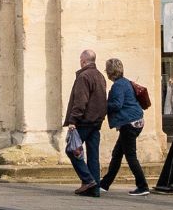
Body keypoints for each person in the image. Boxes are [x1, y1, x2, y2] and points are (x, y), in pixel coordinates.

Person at [98, 58, 149, 196]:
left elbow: (117, 104)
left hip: (129, 123)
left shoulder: (118, 86)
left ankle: (143, 186)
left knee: (130, 156)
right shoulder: (125, 82)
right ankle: (104, 184)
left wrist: (103, 104)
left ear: (110, 72)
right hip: (135, 121)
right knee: (117, 154)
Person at [64, 49, 106, 196]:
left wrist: (73, 120)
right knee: (93, 155)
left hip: (84, 121)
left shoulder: (84, 76)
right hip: (96, 122)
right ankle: (94, 189)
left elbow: (81, 101)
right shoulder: (100, 76)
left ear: (83, 61)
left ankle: (88, 180)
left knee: (71, 150)